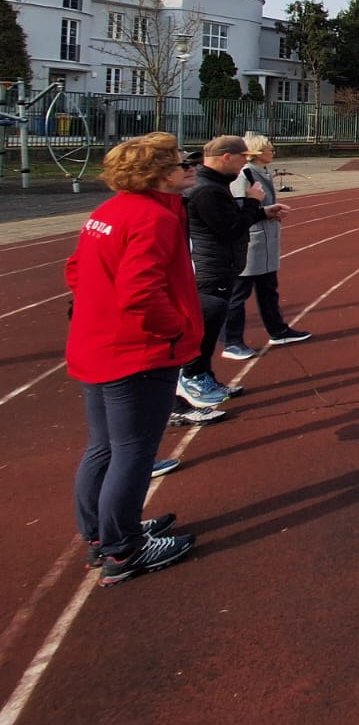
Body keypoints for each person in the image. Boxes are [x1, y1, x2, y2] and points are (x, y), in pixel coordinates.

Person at [65, 132, 201, 585]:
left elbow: (76, 270)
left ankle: (102, 535)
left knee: (103, 446)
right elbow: (141, 290)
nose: (187, 169)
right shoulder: (152, 217)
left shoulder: (107, 212)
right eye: (180, 164)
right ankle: (123, 550)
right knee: (132, 452)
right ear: (160, 174)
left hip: (97, 344)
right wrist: (175, 327)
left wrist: (99, 308)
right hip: (136, 352)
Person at [183, 135, 284, 412]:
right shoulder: (207, 191)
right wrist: (253, 203)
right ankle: (193, 382)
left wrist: (260, 212)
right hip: (212, 267)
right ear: (227, 157)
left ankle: (204, 378)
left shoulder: (214, 185)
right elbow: (230, 228)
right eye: (242, 158)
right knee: (203, 332)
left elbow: (228, 220)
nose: (244, 163)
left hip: (219, 264)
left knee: (208, 328)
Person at [222, 132, 310, 359]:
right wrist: (264, 212)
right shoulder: (245, 174)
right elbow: (239, 210)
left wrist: (271, 211)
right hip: (251, 243)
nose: (273, 151)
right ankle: (232, 342)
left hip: (266, 242)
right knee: (239, 293)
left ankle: (278, 330)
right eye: (270, 148)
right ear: (258, 152)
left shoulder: (262, 171)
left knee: (268, 289)